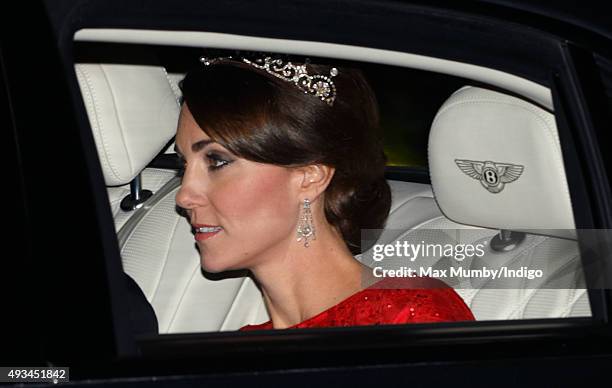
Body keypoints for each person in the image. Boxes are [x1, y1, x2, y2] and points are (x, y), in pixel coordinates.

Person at [174, 53, 475, 330]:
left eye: (217, 161)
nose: (184, 196)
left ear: (309, 177)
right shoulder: (231, 354)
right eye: (183, 164)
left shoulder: (407, 318)